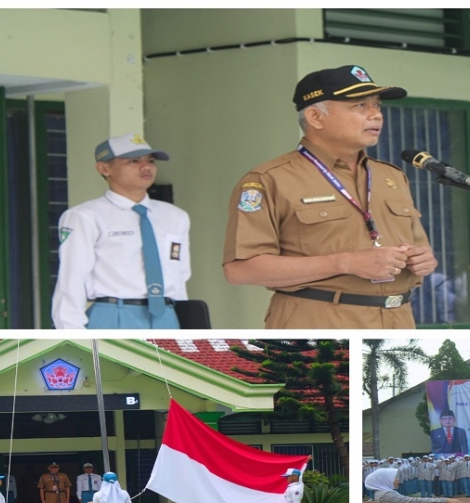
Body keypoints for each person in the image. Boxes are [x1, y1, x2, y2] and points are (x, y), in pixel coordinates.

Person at [223, 65, 438, 329]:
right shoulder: (269, 179)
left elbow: (420, 248)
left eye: (377, 105)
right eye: (360, 105)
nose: (376, 115)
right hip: (318, 322)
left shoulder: (390, 176)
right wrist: (345, 262)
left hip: (398, 321)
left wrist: (423, 260)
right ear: (315, 117)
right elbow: (240, 270)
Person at [51, 133, 191, 329]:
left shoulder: (175, 216)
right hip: (114, 314)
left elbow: (180, 277)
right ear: (104, 168)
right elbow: (72, 280)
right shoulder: (86, 216)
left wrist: (185, 325)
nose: (146, 167)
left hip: (166, 315)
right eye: (134, 161)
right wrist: (74, 334)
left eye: (151, 161)